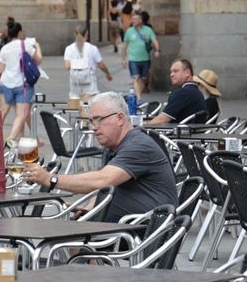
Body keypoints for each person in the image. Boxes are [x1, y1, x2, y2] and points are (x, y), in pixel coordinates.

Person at [23, 91, 178, 223]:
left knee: (71, 235)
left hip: (148, 226)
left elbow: (103, 180)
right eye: (91, 121)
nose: (94, 127)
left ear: (120, 119)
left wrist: (51, 179)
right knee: (74, 228)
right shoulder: (112, 146)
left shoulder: (138, 145)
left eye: (99, 119)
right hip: (125, 222)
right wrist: (88, 209)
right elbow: (103, 189)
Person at [0, 22, 43, 144]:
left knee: (3, 112)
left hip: (5, 84)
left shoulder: (4, 48)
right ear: (19, 32)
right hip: (22, 85)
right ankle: (11, 139)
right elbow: (38, 60)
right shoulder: (26, 45)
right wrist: (37, 46)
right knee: (21, 115)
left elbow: (1, 70)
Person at [145, 59, 206, 125]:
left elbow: (163, 119)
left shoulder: (183, 93)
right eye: (171, 72)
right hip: (194, 132)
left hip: (177, 133)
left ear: (187, 73)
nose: (171, 74)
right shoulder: (196, 92)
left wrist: (142, 125)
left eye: (175, 71)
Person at [64, 26, 113, 99]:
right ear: (87, 34)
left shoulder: (69, 49)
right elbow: (101, 65)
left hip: (75, 83)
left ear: (74, 34)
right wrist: (108, 73)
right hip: (89, 82)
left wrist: (76, 63)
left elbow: (67, 66)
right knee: (88, 105)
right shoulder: (92, 48)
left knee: (74, 105)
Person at [122, 12, 160, 99]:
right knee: (136, 78)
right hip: (133, 59)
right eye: (132, 19)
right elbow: (125, 46)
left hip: (145, 58)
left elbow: (154, 40)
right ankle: (138, 97)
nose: (133, 21)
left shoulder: (148, 30)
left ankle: (138, 93)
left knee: (143, 79)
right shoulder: (129, 31)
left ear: (140, 20)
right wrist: (123, 59)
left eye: (135, 19)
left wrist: (157, 50)